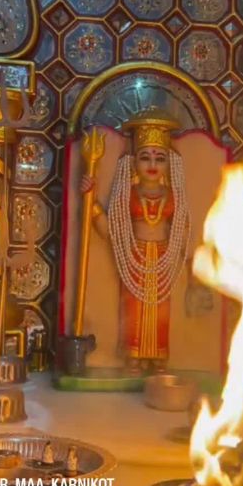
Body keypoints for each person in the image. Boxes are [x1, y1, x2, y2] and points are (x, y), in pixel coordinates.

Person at [80, 109, 192, 373]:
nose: (152, 164)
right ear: (133, 163)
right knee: (133, 308)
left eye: (159, 158)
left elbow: (183, 233)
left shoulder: (173, 196)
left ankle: (158, 356)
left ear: (169, 164)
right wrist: (91, 202)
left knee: (161, 308)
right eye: (145, 157)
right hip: (133, 258)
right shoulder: (127, 195)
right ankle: (133, 355)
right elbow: (111, 232)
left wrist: (189, 261)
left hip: (163, 258)